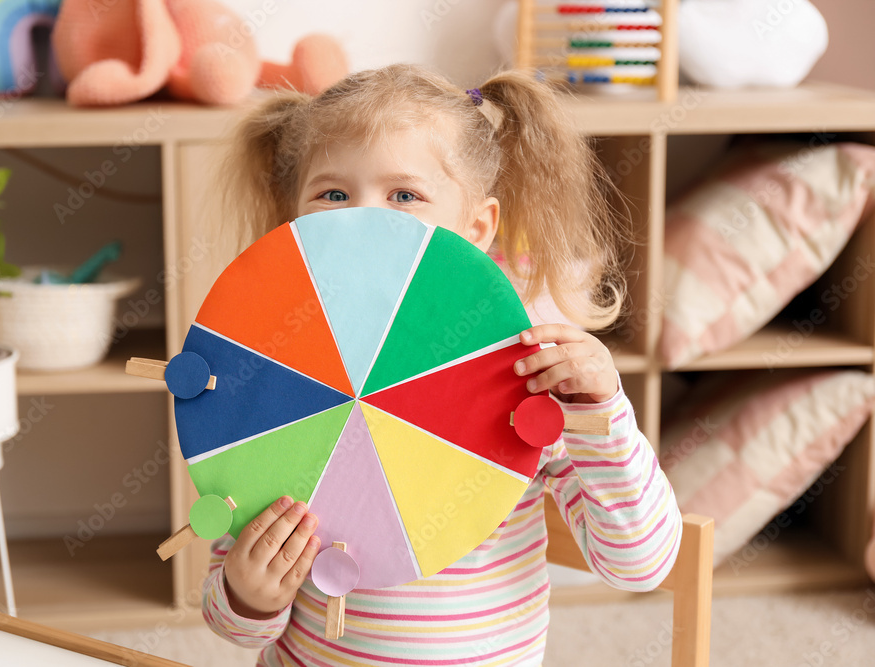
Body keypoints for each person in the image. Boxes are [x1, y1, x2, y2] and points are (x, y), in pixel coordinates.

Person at [202, 64, 682, 665]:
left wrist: (602, 416)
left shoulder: (524, 379)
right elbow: (235, 629)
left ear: (476, 227)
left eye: (403, 195)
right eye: (333, 194)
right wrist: (248, 596)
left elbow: (641, 564)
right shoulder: (269, 375)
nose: (364, 219)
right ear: (294, 221)